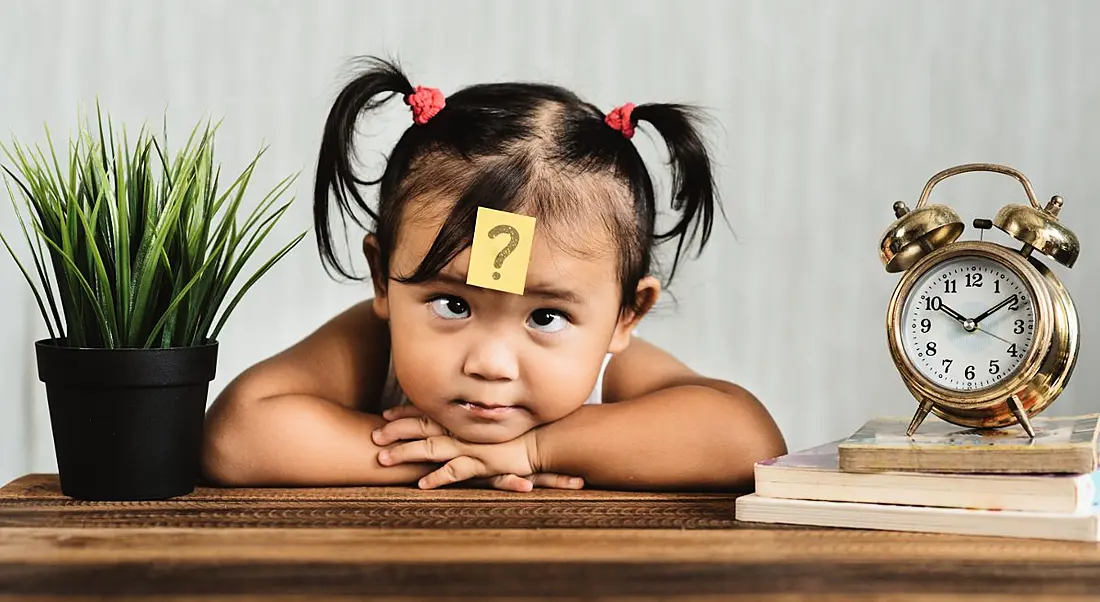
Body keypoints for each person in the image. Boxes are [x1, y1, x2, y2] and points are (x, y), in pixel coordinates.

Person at [201, 56, 786, 492]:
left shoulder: (611, 370)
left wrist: (534, 449)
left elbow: (747, 443)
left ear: (625, 317)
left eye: (546, 316)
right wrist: (448, 458)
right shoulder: (372, 343)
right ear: (384, 279)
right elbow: (236, 439)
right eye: (453, 305)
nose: (490, 363)